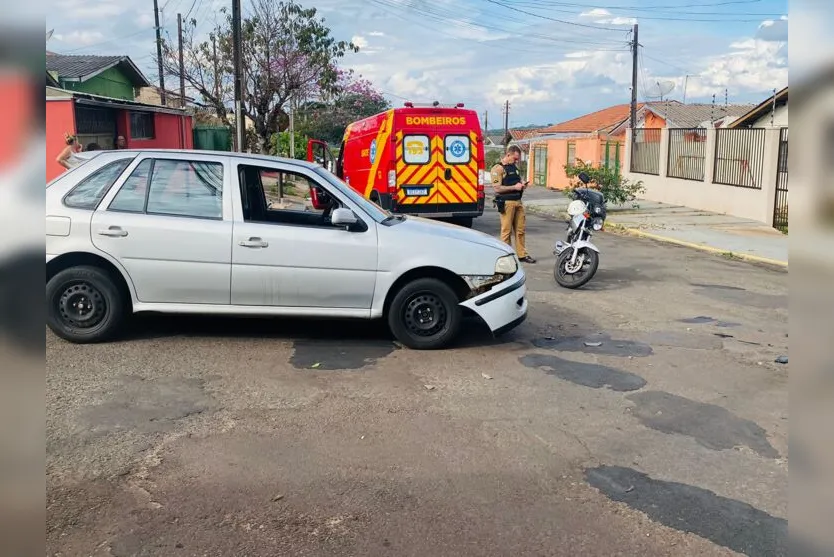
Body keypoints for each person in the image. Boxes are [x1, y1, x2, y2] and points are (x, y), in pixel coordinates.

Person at [491, 145, 536, 263]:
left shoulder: (514, 167)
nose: (516, 161)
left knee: (520, 230)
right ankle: (506, 256)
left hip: (518, 201)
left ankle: (522, 254)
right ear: (508, 154)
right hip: (507, 202)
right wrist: (514, 187)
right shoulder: (498, 168)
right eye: (515, 158)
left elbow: (517, 180)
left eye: (517, 159)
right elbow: (497, 188)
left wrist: (522, 184)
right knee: (506, 231)